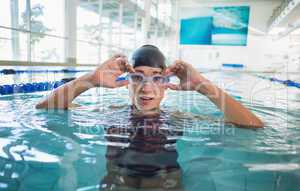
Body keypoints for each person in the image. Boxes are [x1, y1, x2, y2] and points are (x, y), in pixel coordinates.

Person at [36, 45, 264, 128]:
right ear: (126, 84)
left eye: (156, 78)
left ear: (166, 85)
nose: (147, 89)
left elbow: (252, 125)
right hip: (118, 184)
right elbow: (45, 108)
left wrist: (202, 85)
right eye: (137, 78)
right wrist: (90, 80)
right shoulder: (108, 114)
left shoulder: (178, 118)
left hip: (165, 184)